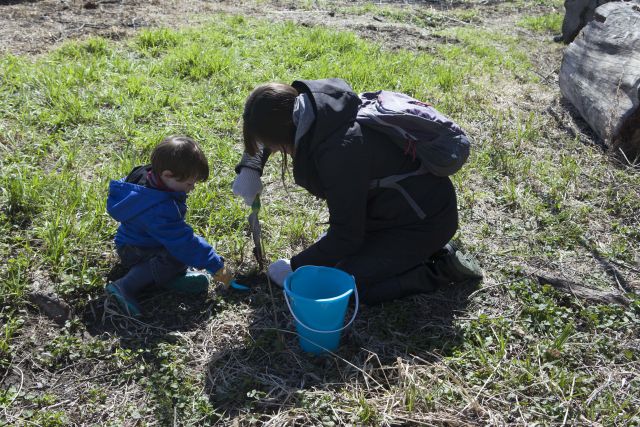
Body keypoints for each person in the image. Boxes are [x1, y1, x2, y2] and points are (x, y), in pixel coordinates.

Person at [232, 78, 482, 305]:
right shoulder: (314, 107)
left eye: (274, 145)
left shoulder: (340, 153)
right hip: (390, 213)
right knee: (331, 265)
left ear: (285, 135)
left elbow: (346, 235)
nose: (274, 149)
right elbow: (271, 118)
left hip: (423, 223)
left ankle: (441, 268)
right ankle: (404, 256)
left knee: (342, 288)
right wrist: (251, 167)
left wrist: (294, 265)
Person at [106, 136, 231, 316]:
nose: (192, 188)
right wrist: (215, 264)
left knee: (179, 255)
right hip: (135, 250)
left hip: (142, 240)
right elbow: (183, 242)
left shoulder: (149, 178)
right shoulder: (158, 208)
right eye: (189, 183)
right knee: (176, 256)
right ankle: (124, 286)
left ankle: (167, 277)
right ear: (167, 175)